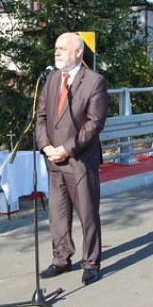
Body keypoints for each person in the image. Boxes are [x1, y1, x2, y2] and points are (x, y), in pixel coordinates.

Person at [36, 32, 108, 285]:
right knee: (57, 213)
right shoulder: (51, 79)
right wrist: (45, 146)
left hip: (80, 159)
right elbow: (41, 116)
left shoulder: (95, 81)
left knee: (87, 213)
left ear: (78, 52)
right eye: (55, 47)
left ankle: (91, 263)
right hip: (53, 159)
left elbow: (94, 123)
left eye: (62, 48)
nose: (56, 52)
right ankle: (61, 259)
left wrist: (67, 148)